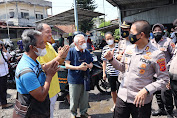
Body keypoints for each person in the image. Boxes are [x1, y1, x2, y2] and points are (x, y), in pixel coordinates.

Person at [104, 20, 169, 118]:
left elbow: (164, 79)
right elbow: (122, 68)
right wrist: (111, 59)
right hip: (123, 96)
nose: (129, 35)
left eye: (132, 33)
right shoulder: (129, 49)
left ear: (141, 35)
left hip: (141, 101)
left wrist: (146, 90)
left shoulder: (157, 54)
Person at [13, 29, 59, 117]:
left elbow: (38, 70)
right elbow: (41, 96)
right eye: (41, 43)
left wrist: (46, 68)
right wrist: (49, 75)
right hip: (32, 113)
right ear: (32, 47)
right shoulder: (26, 71)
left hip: (39, 111)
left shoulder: (33, 60)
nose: (45, 46)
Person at [36, 23, 70, 118]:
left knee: (50, 113)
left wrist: (62, 56)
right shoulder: (37, 48)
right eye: (48, 32)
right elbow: (43, 67)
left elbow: (59, 61)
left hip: (53, 88)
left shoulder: (49, 46)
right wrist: (59, 57)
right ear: (39, 33)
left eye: (51, 32)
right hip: (44, 90)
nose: (50, 34)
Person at [65, 34, 93, 118]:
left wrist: (87, 66)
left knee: (84, 98)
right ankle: (73, 113)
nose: (84, 43)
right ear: (76, 43)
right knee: (74, 98)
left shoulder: (87, 52)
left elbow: (91, 64)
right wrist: (79, 67)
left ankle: (83, 112)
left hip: (85, 78)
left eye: (84, 41)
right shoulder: (71, 51)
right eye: (82, 42)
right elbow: (67, 65)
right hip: (74, 79)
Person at [151, 23, 175, 118]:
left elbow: (174, 55)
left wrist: (169, 66)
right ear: (152, 32)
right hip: (154, 73)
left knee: (165, 93)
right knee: (157, 92)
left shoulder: (168, 41)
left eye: (159, 30)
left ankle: (169, 112)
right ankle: (161, 110)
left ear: (163, 31)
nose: (157, 32)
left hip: (165, 72)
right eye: (155, 30)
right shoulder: (151, 42)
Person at [101, 31, 119, 112]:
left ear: (113, 38)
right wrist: (104, 73)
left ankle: (122, 105)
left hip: (120, 72)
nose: (109, 40)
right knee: (113, 90)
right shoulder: (105, 48)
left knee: (121, 89)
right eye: (107, 39)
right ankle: (115, 104)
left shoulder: (119, 47)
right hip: (110, 73)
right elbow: (104, 62)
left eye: (110, 38)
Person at [0, 40, 13, 109]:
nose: (1, 47)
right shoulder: (0, 54)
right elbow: (2, 61)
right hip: (1, 74)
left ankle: (2, 102)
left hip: (4, 73)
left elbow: (9, 57)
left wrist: (5, 51)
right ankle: (4, 104)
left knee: (3, 89)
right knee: (2, 89)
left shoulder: (2, 52)